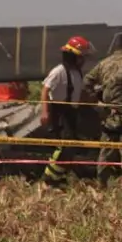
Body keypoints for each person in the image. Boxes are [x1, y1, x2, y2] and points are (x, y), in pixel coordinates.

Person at [84, 32, 122, 185]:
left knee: (105, 152)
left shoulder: (104, 63)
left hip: (108, 115)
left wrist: (97, 101)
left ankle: (101, 184)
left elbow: (87, 81)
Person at [41, 36, 94, 186]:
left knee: (70, 147)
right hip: (59, 112)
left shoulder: (77, 73)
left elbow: (79, 93)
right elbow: (45, 90)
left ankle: (58, 177)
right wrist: (45, 112)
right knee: (63, 146)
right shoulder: (58, 71)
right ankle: (49, 178)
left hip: (72, 112)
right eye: (81, 57)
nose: (83, 61)